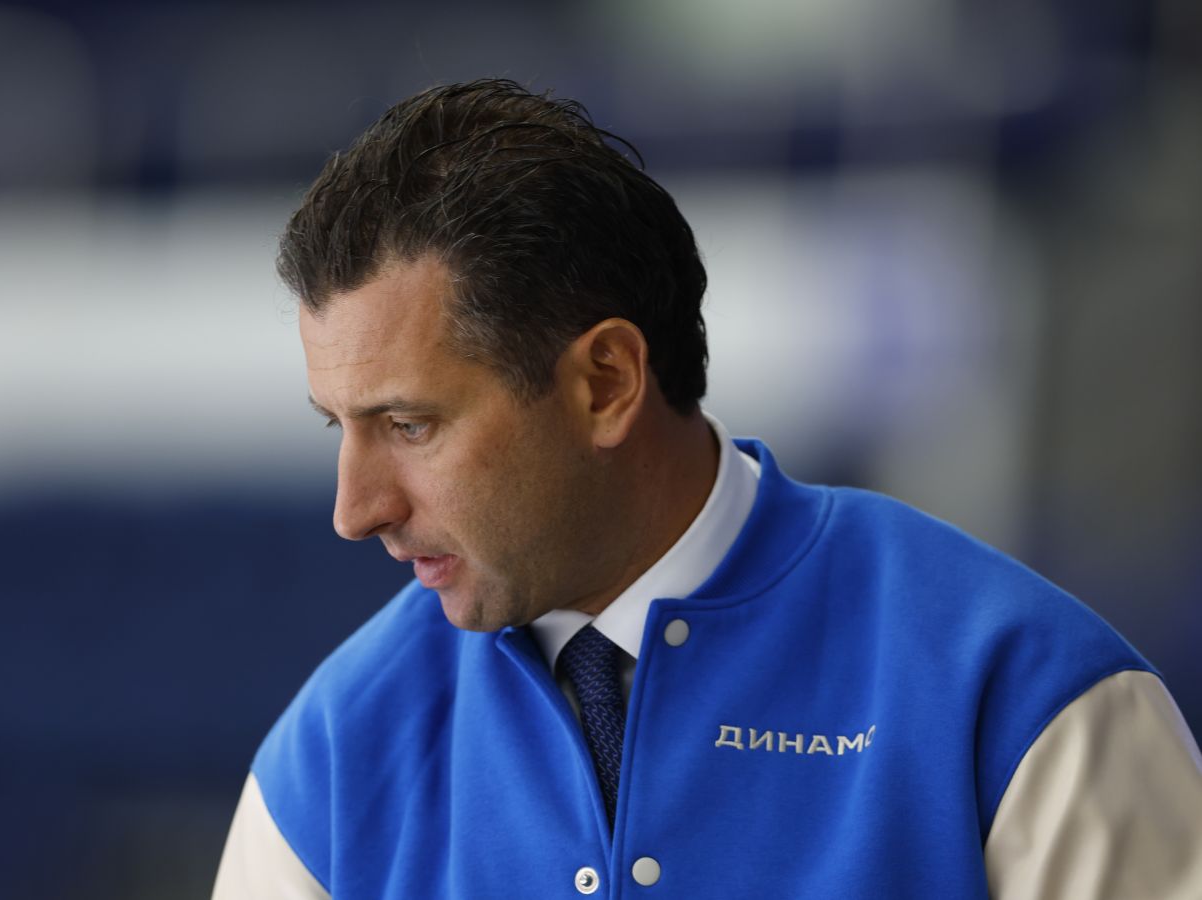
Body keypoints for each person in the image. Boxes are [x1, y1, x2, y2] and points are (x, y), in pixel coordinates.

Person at [212, 79, 1202, 898]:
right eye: (339, 427)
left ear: (606, 383)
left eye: (410, 425)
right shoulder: (330, 760)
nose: (356, 510)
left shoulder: (1018, 689)